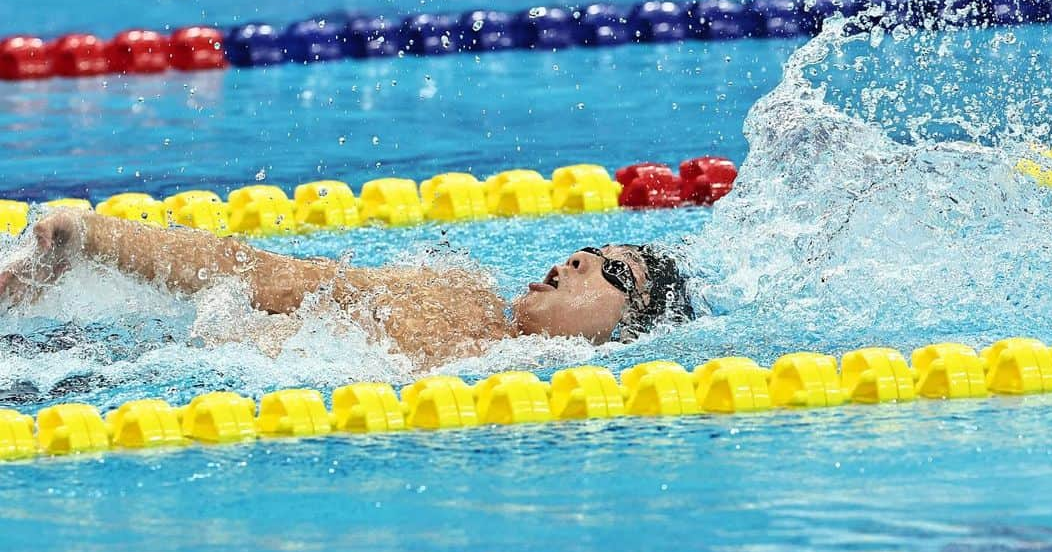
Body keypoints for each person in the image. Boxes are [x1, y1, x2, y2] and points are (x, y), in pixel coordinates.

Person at [0, 209, 694, 367]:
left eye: (614, 271)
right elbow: (266, 276)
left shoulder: (539, 381)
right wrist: (93, 238)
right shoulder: (452, 294)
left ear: (632, 332)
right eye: (588, 250)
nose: (579, 259)